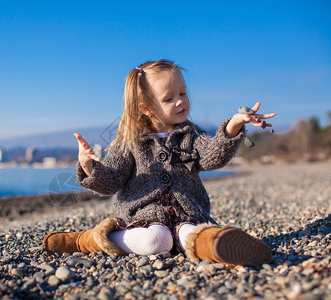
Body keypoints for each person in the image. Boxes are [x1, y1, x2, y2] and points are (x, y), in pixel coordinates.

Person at [42, 59, 276, 267]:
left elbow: (212, 156)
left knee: (191, 234)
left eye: (183, 94)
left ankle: (219, 245)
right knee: (157, 239)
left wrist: (233, 126)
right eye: (169, 98)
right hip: (141, 217)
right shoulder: (130, 141)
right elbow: (112, 180)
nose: (180, 102)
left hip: (186, 213)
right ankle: (93, 239)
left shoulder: (191, 135)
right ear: (147, 108)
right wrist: (89, 167)